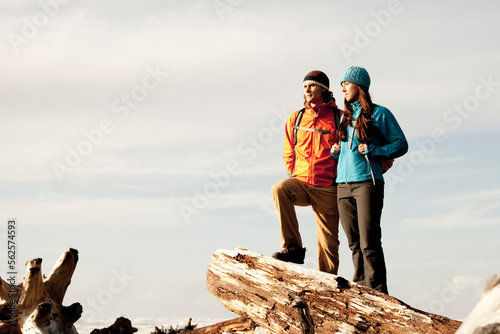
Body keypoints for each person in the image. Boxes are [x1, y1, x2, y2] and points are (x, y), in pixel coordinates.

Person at [331, 66, 408, 294]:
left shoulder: (380, 113)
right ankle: (360, 288)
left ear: (359, 86)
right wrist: (337, 150)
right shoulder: (345, 117)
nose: (343, 87)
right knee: (354, 243)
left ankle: (377, 292)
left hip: (367, 183)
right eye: (342, 84)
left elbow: (401, 144)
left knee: (369, 241)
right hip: (342, 186)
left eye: (347, 83)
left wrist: (375, 150)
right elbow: (347, 150)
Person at [271, 70, 342, 275]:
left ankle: (327, 284)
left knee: (328, 243)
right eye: (305, 86)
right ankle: (293, 248)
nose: (307, 89)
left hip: (328, 186)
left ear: (324, 89)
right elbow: (289, 150)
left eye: (311, 85)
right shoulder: (296, 118)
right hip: (301, 183)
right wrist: (292, 171)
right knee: (279, 188)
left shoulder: (339, 118)